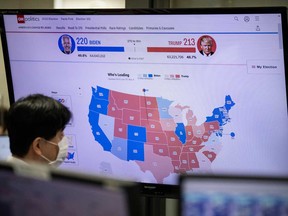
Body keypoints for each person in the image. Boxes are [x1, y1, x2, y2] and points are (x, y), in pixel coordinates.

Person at [6, 94, 72, 167]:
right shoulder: (27, 178)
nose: (64, 139)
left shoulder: (7, 172)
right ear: (38, 146)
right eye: (60, 135)